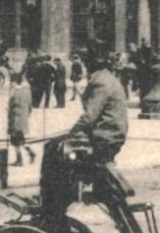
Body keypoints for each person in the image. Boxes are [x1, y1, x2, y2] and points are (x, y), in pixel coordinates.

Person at [39, 52, 128, 219]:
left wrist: (71, 135)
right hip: (108, 136)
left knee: (53, 150)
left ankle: (52, 207)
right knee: (56, 147)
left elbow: (89, 116)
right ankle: (55, 202)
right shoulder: (109, 78)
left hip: (103, 139)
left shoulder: (101, 81)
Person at [7, 71, 35, 165]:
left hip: (16, 118)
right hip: (24, 117)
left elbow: (12, 105)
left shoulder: (15, 92)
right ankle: (30, 152)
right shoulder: (27, 91)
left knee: (15, 141)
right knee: (22, 139)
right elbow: (30, 106)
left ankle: (19, 160)